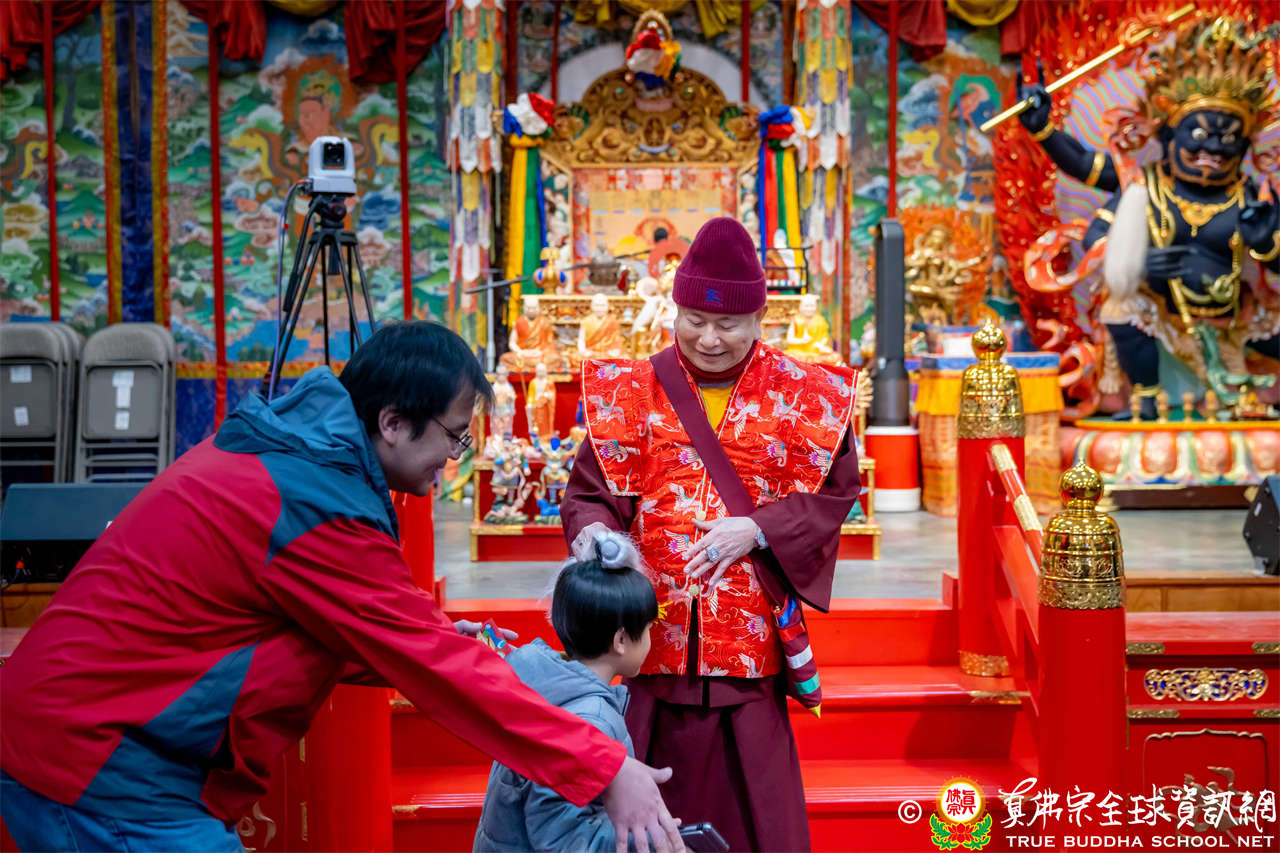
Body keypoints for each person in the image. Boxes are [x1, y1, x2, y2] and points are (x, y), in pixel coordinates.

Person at [0, 322, 683, 853]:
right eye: (453, 436)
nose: (454, 458)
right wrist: (601, 767)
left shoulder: (298, 457)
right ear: (392, 422)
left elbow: (292, 628)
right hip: (101, 754)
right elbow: (432, 663)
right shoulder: (311, 498)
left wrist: (424, 639)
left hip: (103, 735)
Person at [562, 217, 862, 851]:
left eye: (728, 324)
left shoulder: (808, 394)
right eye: (694, 319)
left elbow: (836, 494)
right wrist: (597, 540)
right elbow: (590, 494)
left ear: (760, 317)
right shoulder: (630, 390)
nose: (708, 338)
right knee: (643, 822)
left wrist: (758, 528)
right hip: (651, 643)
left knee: (757, 821)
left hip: (746, 652)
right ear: (675, 309)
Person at [474, 530, 658, 852]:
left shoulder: (544, 684)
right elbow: (563, 837)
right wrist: (646, 841)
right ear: (620, 640)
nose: (650, 640)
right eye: (647, 629)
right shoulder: (591, 719)